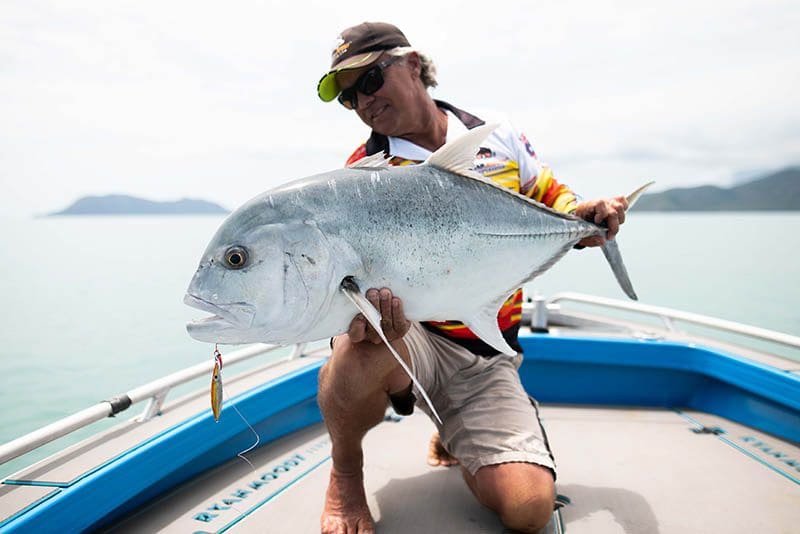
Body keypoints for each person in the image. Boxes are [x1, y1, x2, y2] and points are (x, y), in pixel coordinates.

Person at [315, 22, 627, 534]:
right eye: (348, 97)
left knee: (529, 510)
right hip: (410, 339)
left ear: (412, 65)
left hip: (484, 352)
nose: (362, 102)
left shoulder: (496, 137)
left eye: (369, 80)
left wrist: (583, 217)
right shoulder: (364, 173)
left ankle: (456, 430)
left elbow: (552, 197)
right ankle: (345, 475)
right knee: (356, 350)